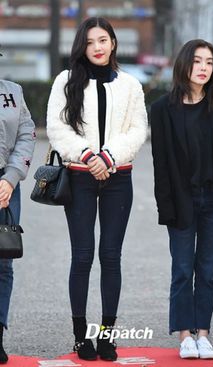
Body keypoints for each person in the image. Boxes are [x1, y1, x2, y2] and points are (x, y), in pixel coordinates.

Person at [46, 17, 147, 362]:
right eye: (90, 42)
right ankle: (80, 337)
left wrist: (108, 156)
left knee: (111, 257)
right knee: (83, 256)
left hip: (119, 177)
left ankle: (106, 336)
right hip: (80, 176)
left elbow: (137, 131)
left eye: (103, 40)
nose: (98, 47)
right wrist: (89, 156)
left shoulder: (131, 84)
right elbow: (57, 128)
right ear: (82, 47)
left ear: (114, 43)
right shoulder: (66, 81)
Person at [151, 39, 213, 360]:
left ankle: (204, 333)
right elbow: (161, 163)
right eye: (198, 61)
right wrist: (166, 206)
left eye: (209, 63)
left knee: (209, 270)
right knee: (183, 268)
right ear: (185, 64)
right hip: (182, 200)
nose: (203, 68)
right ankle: (185, 335)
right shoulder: (162, 109)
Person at [0, 60, 36, 362]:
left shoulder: (13, 93)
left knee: (3, 261)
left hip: (6, 186)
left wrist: (10, 179)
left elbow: (26, 136)